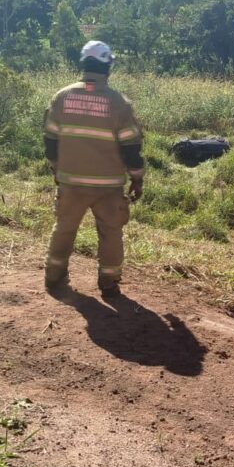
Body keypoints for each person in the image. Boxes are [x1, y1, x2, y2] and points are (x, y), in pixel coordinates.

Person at [43, 40, 145, 297]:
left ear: (83, 64)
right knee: (111, 233)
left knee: (64, 228)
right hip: (108, 186)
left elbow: (51, 139)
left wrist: (56, 168)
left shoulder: (62, 97)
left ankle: (54, 277)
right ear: (108, 66)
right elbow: (131, 147)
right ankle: (109, 283)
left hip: (70, 181)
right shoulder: (118, 103)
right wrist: (137, 177)